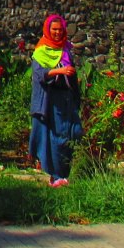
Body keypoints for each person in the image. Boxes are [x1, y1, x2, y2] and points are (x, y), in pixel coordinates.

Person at [29, 13, 82, 187]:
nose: (58, 33)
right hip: (51, 100)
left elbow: (71, 70)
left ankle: (64, 172)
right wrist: (59, 72)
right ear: (48, 30)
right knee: (56, 136)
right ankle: (57, 174)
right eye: (54, 29)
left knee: (74, 132)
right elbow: (39, 74)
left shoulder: (65, 48)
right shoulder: (41, 50)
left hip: (67, 98)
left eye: (60, 29)